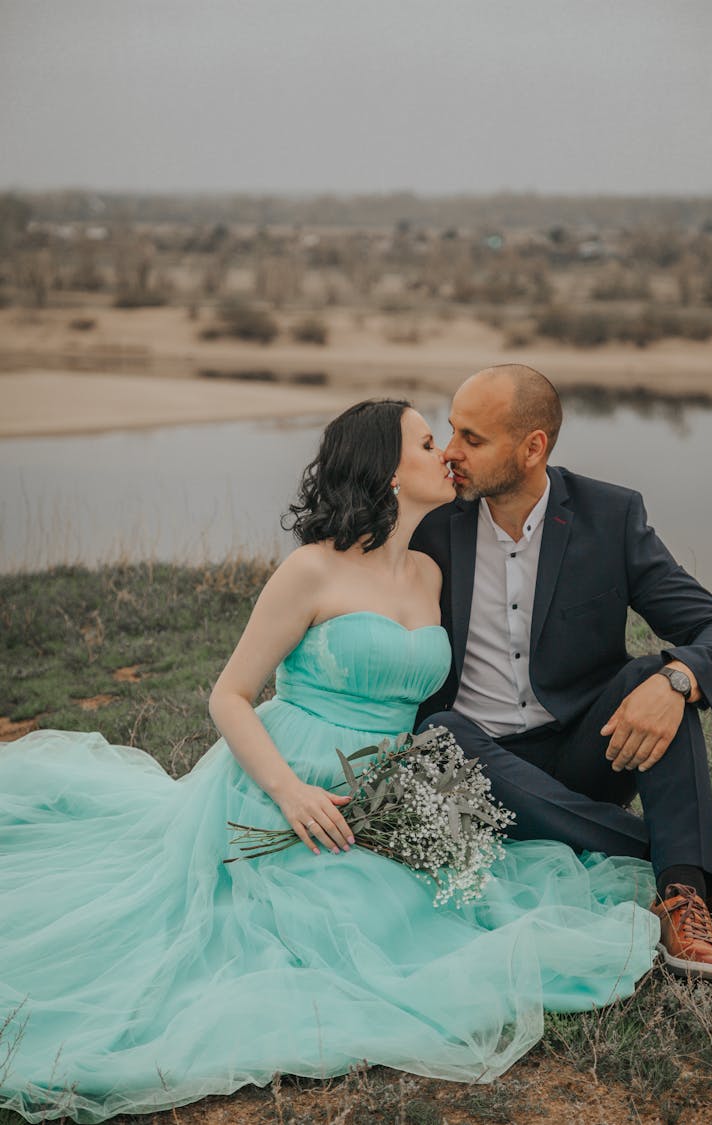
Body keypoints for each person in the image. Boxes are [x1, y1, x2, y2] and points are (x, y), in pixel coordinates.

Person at [0, 400, 659, 1124]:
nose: (445, 454)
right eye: (428, 441)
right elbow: (229, 696)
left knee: (454, 903)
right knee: (343, 924)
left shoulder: (431, 575)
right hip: (292, 773)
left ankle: (671, 861)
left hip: (389, 781)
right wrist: (288, 793)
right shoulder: (310, 571)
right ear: (386, 467)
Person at [412, 365, 712, 988]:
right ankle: (688, 865)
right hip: (477, 766)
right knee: (440, 731)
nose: (451, 453)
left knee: (657, 675)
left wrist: (676, 683)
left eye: (473, 438)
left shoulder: (609, 516)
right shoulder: (430, 526)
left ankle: (682, 905)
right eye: (451, 430)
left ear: (533, 446)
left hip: (585, 753)